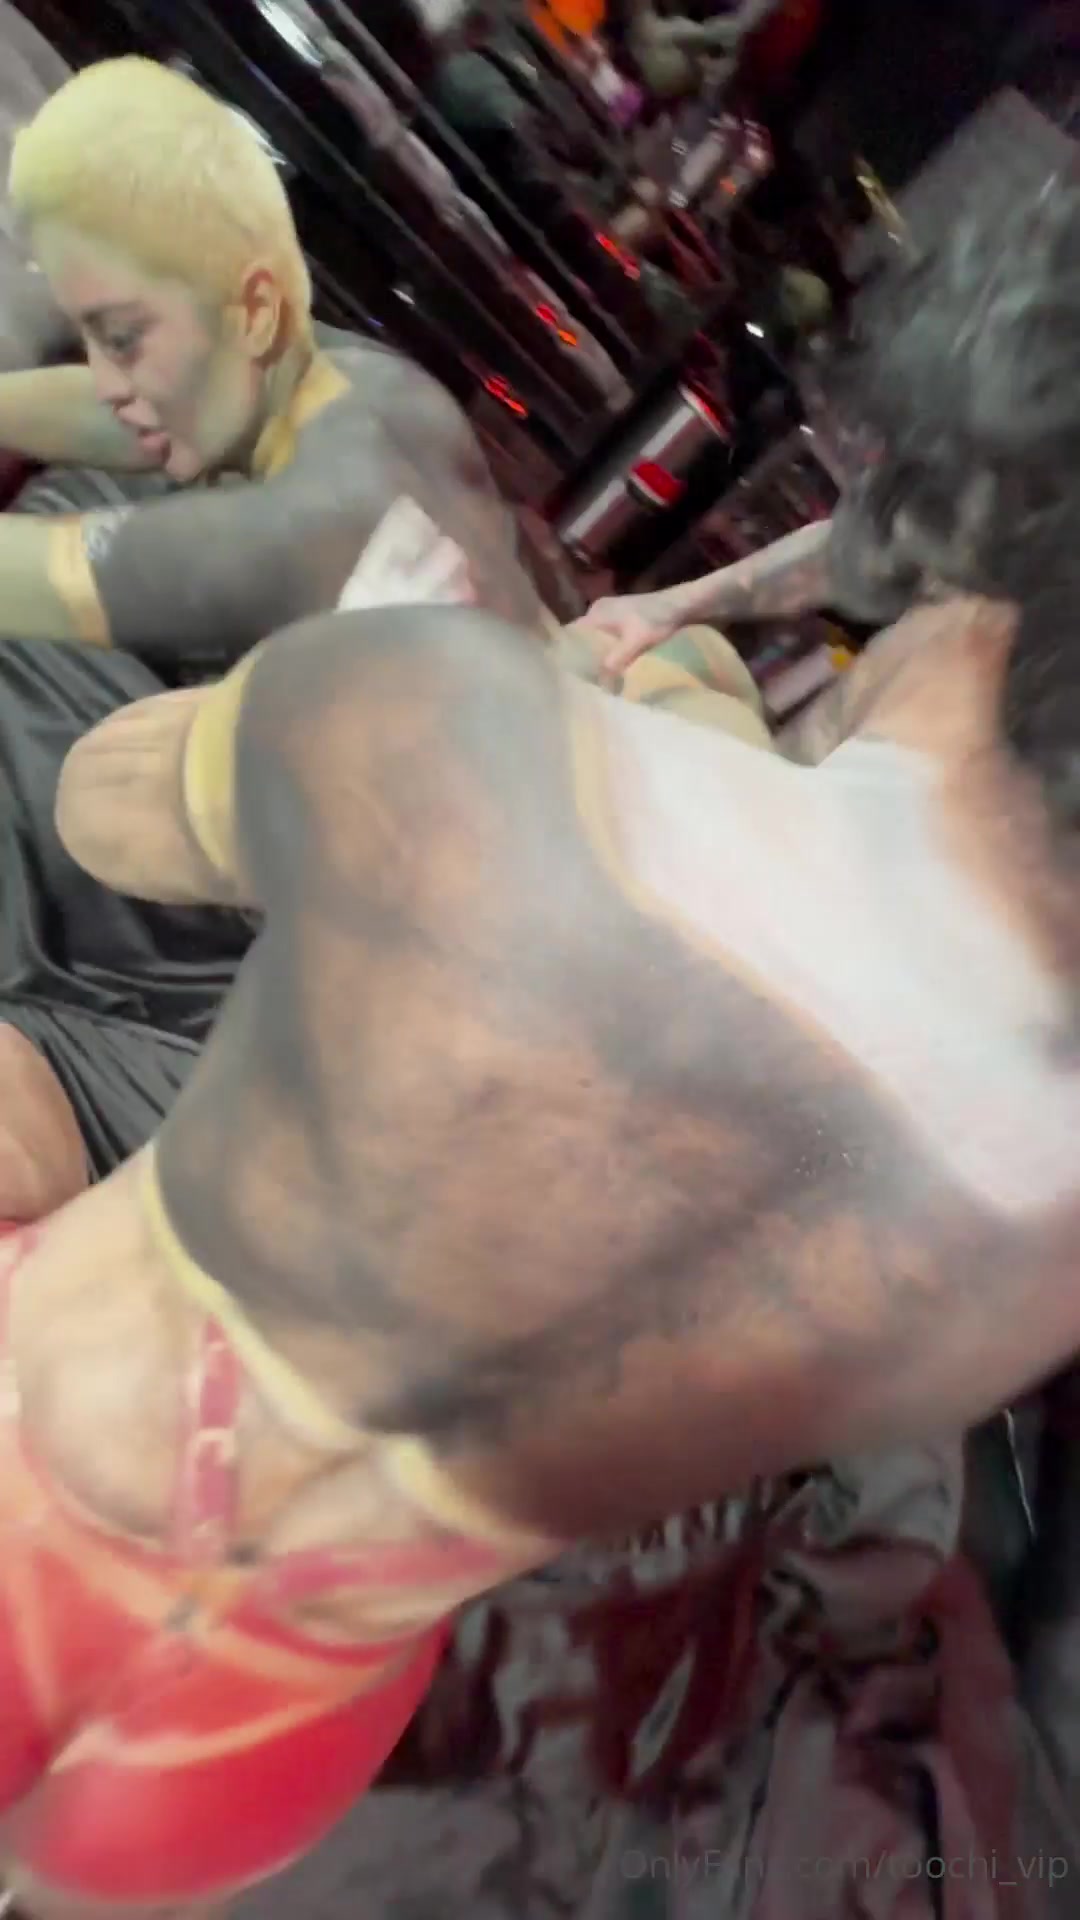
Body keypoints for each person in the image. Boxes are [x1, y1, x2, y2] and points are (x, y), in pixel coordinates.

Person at [7, 171, 1080, 1918]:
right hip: (280, 1733)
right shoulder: (1051, 1242)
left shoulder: (466, 742)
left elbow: (103, 807)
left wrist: (388, 669)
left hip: (53, 1467)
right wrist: (671, 697)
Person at [0, 56, 539, 658]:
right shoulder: (362, 380)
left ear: (254, 311)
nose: (106, 384)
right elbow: (141, 408)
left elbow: (28, 574)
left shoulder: (299, 528)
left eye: (123, 339)